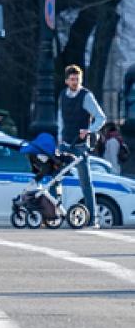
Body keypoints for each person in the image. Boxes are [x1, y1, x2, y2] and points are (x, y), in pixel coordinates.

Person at [57, 65, 106, 227]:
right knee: (54, 178)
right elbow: (60, 119)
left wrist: (89, 130)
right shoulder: (63, 95)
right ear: (66, 81)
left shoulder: (86, 96)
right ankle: (55, 214)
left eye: (77, 79)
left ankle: (93, 219)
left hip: (79, 146)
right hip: (65, 143)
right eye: (72, 79)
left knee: (85, 183)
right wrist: (59, 138)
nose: (75, 82)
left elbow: (101, 118)